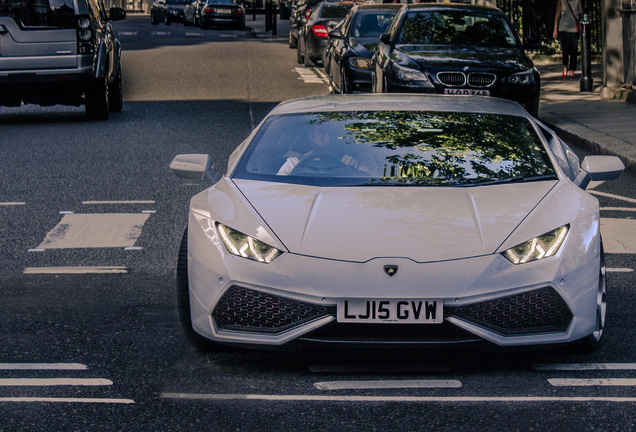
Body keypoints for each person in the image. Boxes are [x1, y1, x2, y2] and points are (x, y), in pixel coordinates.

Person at [553, 0, 583, 78]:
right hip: (563, 27)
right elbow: (557, 15)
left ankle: (572, 70)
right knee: (565, 49)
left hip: (574, 28)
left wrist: (580, 13)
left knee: (574, 49)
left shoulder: (577, 1)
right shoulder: (562, 1)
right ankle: (565, 67)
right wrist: (555, 29)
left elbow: (581, 11)